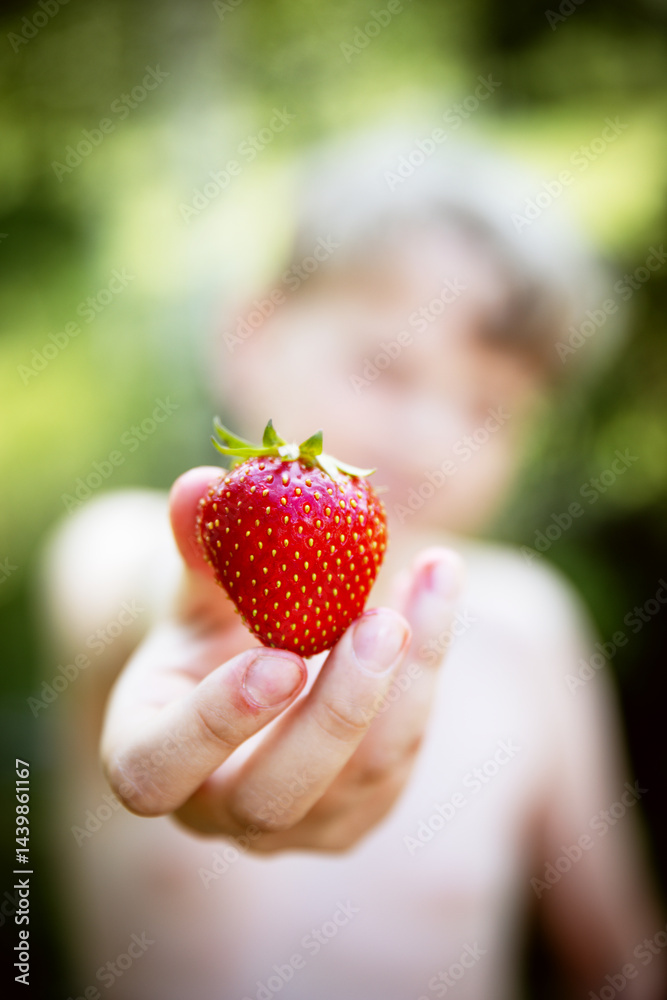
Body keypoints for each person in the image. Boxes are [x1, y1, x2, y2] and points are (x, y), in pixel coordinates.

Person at [43, 131, 665, 999]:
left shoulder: (532, 625)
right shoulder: (119, 542)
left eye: (490, 407)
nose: (427, 438)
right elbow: (130, 590)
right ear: (248, 335)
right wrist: (201, 597)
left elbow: (618, 957)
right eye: (382, 367)